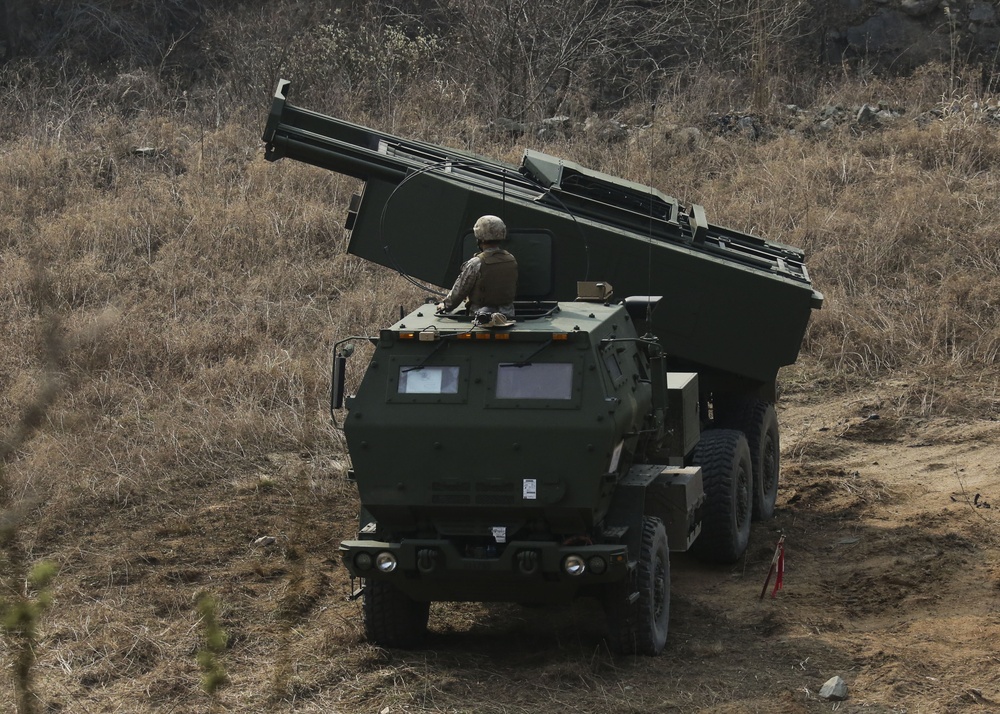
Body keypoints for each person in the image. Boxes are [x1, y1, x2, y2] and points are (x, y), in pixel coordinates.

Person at [437, 215, 518, 322]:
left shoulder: (475, 263)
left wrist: (445, 305)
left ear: (479, 238)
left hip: (481, 318)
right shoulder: (511, 259)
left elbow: (460, 291)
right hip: (507, 317)